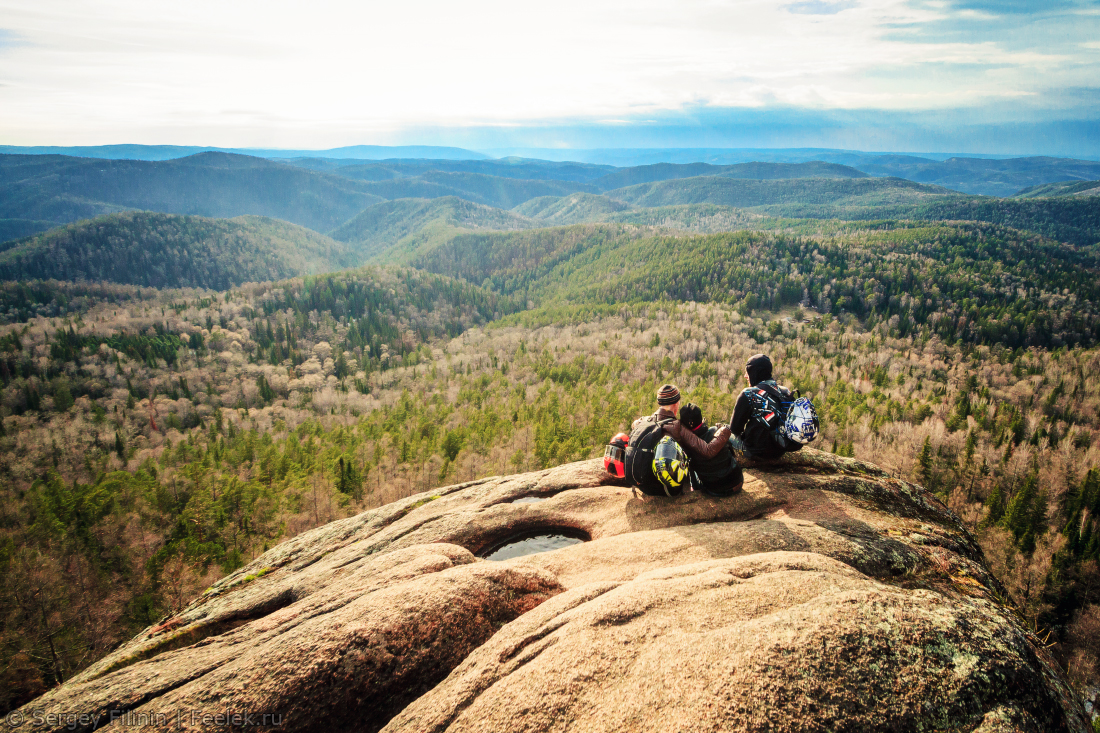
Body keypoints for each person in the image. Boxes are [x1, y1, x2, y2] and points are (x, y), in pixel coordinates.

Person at [626, 384, 732, 496]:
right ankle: (693, 487)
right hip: (664, 489)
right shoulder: (677, 427)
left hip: (642, 485)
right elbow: (708, 450)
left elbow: (634, 425)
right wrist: (725, 430)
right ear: (676, 403)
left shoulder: (644, 421)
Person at [729, 354, 803, 462]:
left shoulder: (748, 394)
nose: (745, 376)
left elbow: (735, 429)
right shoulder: (784, 391)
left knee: (720, 431)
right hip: (780, 450)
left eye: (748, 371)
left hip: (755, 452)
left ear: (755, 372)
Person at [679, 402, 744, 496]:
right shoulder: (716, 431)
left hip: (714, 490)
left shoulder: (686, 446)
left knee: (691, 467)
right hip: (736, 482)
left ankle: (694, 489)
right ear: (701, 418)